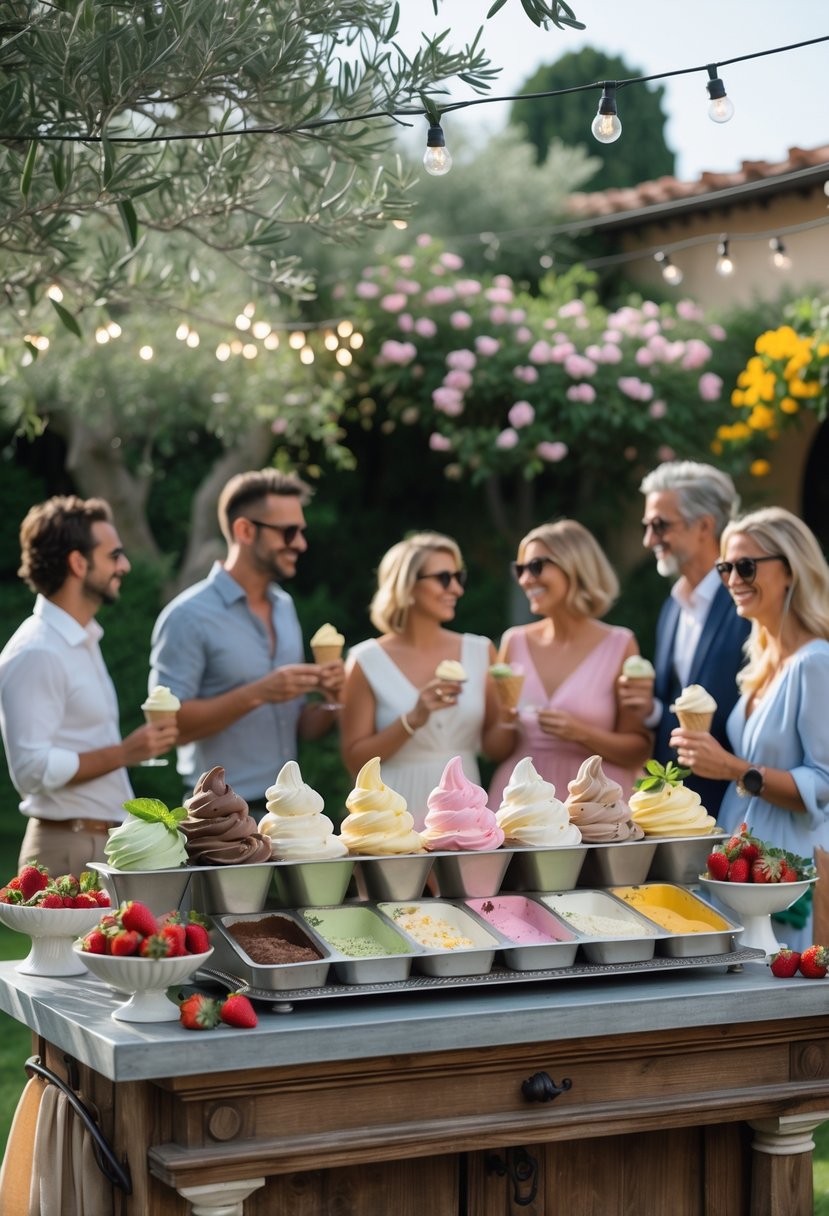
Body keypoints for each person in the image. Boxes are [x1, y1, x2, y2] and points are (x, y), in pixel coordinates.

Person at [671, 507, 829, 951]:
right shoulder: (761, 664)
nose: (733, 579)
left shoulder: (815, 663)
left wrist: (733, 768)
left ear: (791, 570)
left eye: (746, 565)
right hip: (744, 867)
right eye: (726, 568)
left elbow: (824, 783)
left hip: (788, 871)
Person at [0, 496, 177, 875]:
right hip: (67, 847)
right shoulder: (36, 650)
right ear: (78, 563)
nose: (124, 565)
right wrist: (126, 752)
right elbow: (30, 769)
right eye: (114, 555)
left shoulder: (80, 639)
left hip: (96, 843)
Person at [149, 468, 342, 812]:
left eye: (301, 531)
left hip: (290, 813)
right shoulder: (186, 616)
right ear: (245, 530)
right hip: (217, 816)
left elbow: (300, 725)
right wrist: (258, 693)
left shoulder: (284, 606)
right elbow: (169, 728)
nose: (300, 543)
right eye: (289, 532)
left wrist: (333, 700)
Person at [340, 532, 513, 830]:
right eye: (444, 578)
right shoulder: (365, 659)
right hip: (392, 816)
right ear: (407, 585)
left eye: (459, 577)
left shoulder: (481, 650)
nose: (457, 588)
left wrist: (511, 717)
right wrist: (413, 719)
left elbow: (496, 749)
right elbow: (356, 760)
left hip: (466, 815)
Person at [488, 519, 652, 808]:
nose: (525, 579)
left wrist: (580, 732)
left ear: (574, 566)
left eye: (536, 566)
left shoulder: (620, 643)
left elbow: (638, 751)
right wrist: (504, 716)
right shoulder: (513, 642)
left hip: (596, 806)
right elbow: (495, 750)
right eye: (520, 569)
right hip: (521, 805)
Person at [618, 460, 750, 817]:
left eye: (660, 525)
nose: (649, 539)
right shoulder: (671, 608)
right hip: (675, 808)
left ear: (705, 525)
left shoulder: (748, 603)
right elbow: (680, 707)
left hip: (737, 806)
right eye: (647, 526)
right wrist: (650, 710)